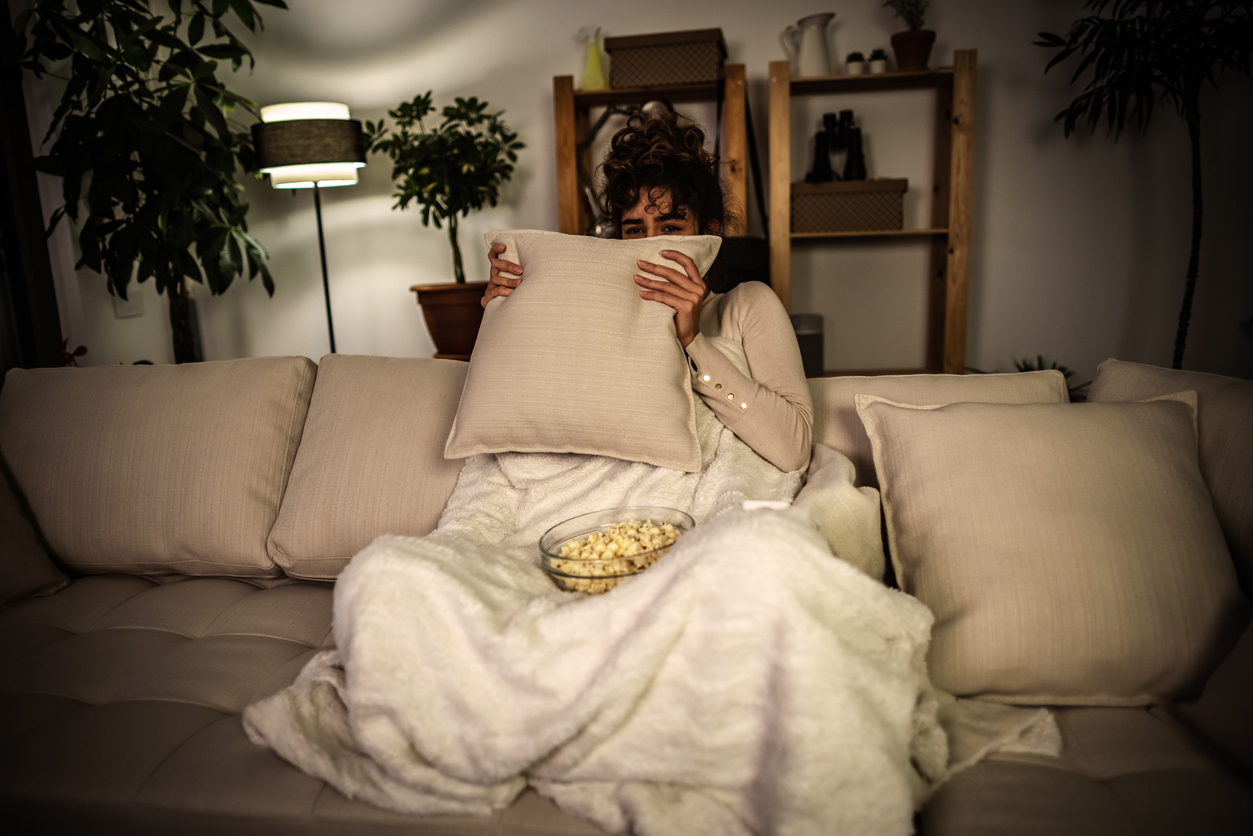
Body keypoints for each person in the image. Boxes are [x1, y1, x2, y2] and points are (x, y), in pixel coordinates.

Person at [482, 113, 813, 473]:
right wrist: (507, 312)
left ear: (710, 234)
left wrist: (694, 342)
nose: (653, 244)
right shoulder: (594, 314)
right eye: (636, 229)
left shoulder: (747, 303)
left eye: (671, 226)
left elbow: (793, 449)